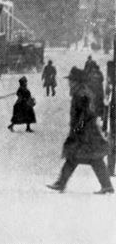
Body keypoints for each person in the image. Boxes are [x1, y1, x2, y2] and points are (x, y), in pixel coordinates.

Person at [46, 67, 114, 195]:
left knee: (85, 158)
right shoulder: (81, 92)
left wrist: (78, 128)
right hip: (86, 132)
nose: (69, 82)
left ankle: (62, 183)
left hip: (85, 134)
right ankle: (61, 183)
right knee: (79, 158)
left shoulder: (81, 94)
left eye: (71, 80)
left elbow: (85, 114)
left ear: (76, 81)